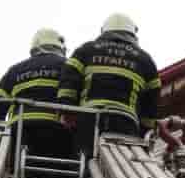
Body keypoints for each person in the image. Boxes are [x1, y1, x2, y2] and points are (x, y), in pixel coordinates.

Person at [57, 13, 161, 158]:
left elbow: (69, 81)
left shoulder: (86, 50)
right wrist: (144, 132)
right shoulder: (145, 59)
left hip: (89, 117)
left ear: (104, 31)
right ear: (132, 34)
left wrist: (66, 110)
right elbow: (151, 102)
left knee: (85, 158)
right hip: (125, 121)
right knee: (123, 164)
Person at [0, 28, 73, 159]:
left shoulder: (16, 69)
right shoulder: (71, 67)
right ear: (60, 48)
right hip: (61, 133)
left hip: (21, 133)